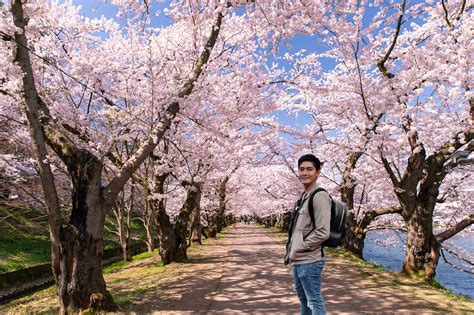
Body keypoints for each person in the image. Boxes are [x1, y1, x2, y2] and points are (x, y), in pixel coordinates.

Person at [284, 154, 331, 315]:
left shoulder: (320, 196)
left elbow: (323, 231)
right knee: (304, 301)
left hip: (310, 259)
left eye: (309, 169)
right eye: (302, 169)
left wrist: (301, 247)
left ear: (317, 172)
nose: (305, 172)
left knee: (314, 301)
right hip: (297, 260)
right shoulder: (304, 196)